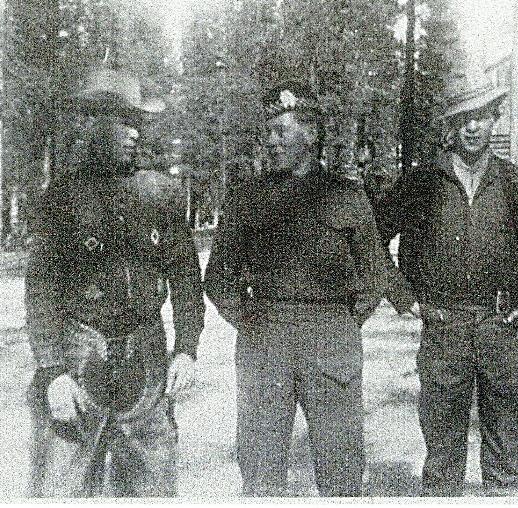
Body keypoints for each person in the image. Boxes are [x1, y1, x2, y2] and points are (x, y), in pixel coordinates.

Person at [376, 92, 518, 496]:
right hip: (444, 328)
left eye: (481, 117)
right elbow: (369, 239)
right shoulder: (421, 183)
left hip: (504, 329)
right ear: (450, 127)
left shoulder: (516, 183)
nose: (472, 127)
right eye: (463, 119)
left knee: (508, 464)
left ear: (494, 120)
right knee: (441, 466)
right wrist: (403, 294)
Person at [204, 80, 390, 497]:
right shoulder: (245, 198)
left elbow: (374, 274)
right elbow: (218, 278)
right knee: (260, 468)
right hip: (264, 337)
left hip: (330, 337)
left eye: (279, 131)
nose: (269, 142)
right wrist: (252, 321)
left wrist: (339, 321)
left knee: (341, 467)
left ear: (310, 134)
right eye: (266, 131)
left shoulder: (346, 196)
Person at [25, 67, 205, 497]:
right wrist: (53, 371)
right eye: (124, 121)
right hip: (78, 357)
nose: (134, 133)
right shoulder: (63, 197)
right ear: (93, 123)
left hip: (145, 362)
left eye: (138, 122)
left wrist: (186, 349)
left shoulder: (160, 193)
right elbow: (41, 292)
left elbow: (184, 275)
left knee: (152, 488)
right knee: (62, 486)